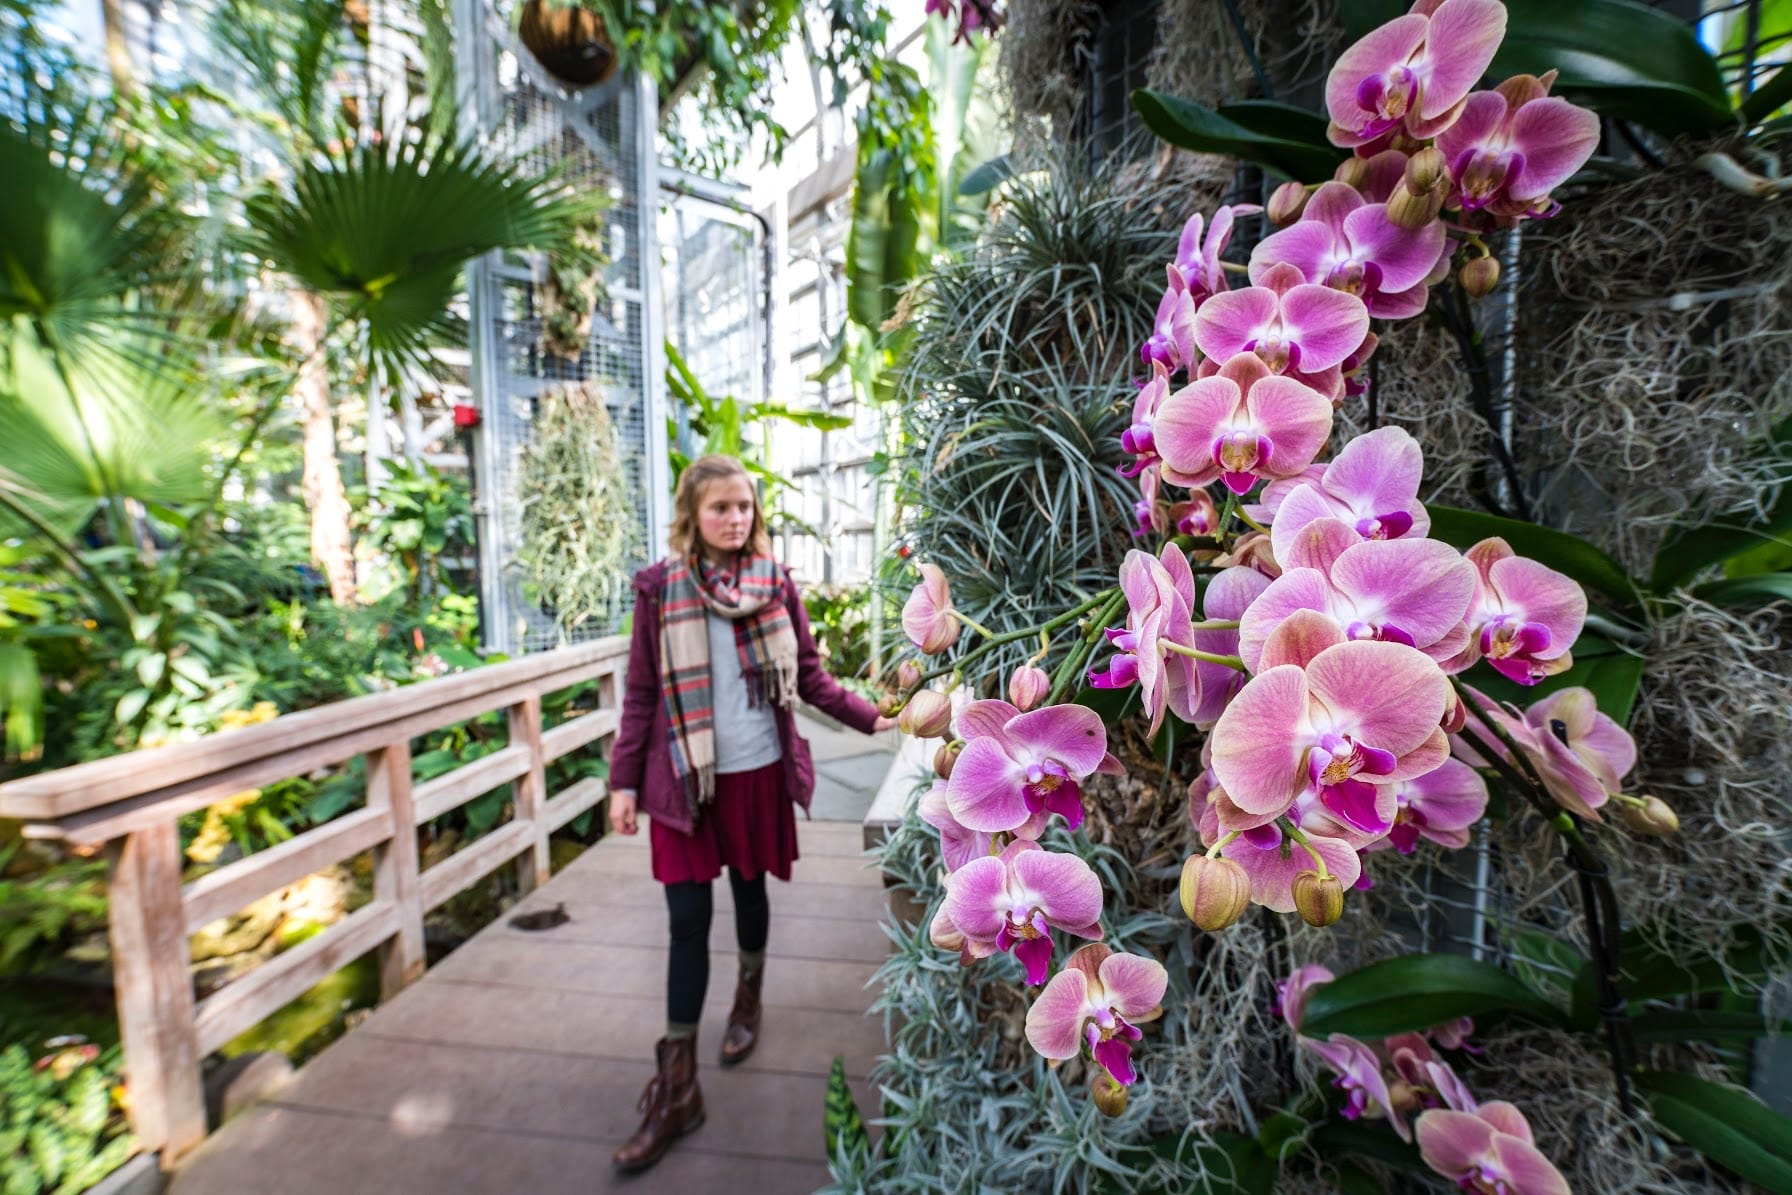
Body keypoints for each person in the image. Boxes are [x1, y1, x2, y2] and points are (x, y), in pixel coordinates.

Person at [605, 454, 895, 1173]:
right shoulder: (659, 589)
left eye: (744, 507)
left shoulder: (775, 584)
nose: (735, 519)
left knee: (750, 888)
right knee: (686, 921)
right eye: (720, 508)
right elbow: (641, 693)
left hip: (757, 774)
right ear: (692, 516)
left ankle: (748, 997)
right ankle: (677, 1087)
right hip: (684, 782)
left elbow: (812, 678)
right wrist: (622, 783)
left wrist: (876, 718)